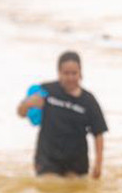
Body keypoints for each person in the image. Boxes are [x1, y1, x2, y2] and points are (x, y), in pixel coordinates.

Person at [16, 51, 108, 179]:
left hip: (77, 162)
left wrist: (98, 164)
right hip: (48, 158)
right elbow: (20, 113)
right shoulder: (46, 91)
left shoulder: (88, 101)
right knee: (50, 189)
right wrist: (27, 104)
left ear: (80, 73)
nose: (70, 78)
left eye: (74, 73)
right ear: (59, 73)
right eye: (66, 73)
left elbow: (99, 133)